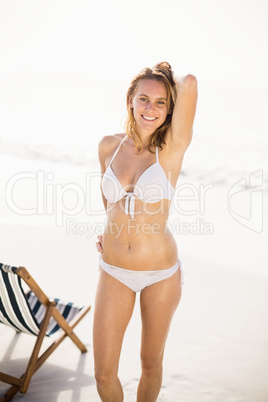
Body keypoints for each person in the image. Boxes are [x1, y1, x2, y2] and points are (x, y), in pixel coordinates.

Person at [93, 62, 198, 402]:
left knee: (150, 363)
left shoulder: (169, 152)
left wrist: (165, 72)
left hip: (160, 274)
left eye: (161, 102)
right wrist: (109, 230)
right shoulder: (108, 146)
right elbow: (108, 200)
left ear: (170, 110)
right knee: (103, 374)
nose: (150, 108)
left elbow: (191, 82)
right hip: (113, 271)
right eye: (143, 99)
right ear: (130, 102)